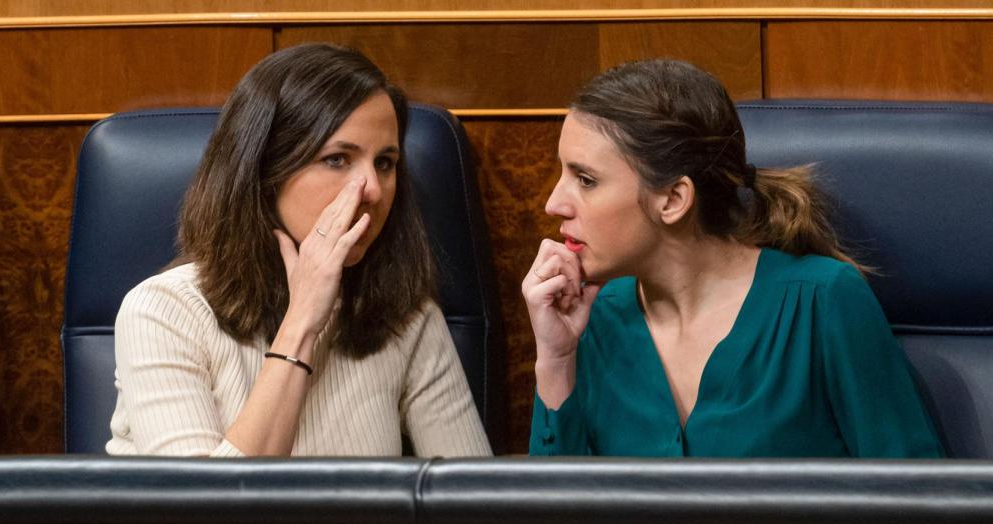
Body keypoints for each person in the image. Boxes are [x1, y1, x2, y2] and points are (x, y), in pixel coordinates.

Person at [524, 59, 943, 458]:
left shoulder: (823, 301)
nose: (554, 204)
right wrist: (556, 361)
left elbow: (921, 503)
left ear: (672, 199)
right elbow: (554, 521)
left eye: (586, 180)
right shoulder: (594, 317)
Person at [107, 43, 491, 458]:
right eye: (338, 159)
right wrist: (303, 320)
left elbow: (474, 511)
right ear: (264, 172)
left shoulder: (407, 318)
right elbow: (206, 517)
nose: (374, 190)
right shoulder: (162, 312)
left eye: (384, 163)